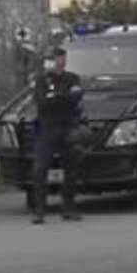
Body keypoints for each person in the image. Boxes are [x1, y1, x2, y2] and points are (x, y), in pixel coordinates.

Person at [30, 46, 84, 224]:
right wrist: (63, 96)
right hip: (47, 129)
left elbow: (76, 97)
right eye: (56, 58)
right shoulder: (42, 79)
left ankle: (69, 208)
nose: (60, 61)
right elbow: (41, 101)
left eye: (62, 58)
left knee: (71, 169)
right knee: (40, 169)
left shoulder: (73, 78)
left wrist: (56, 96)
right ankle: (39, 210)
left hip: (68, 127)